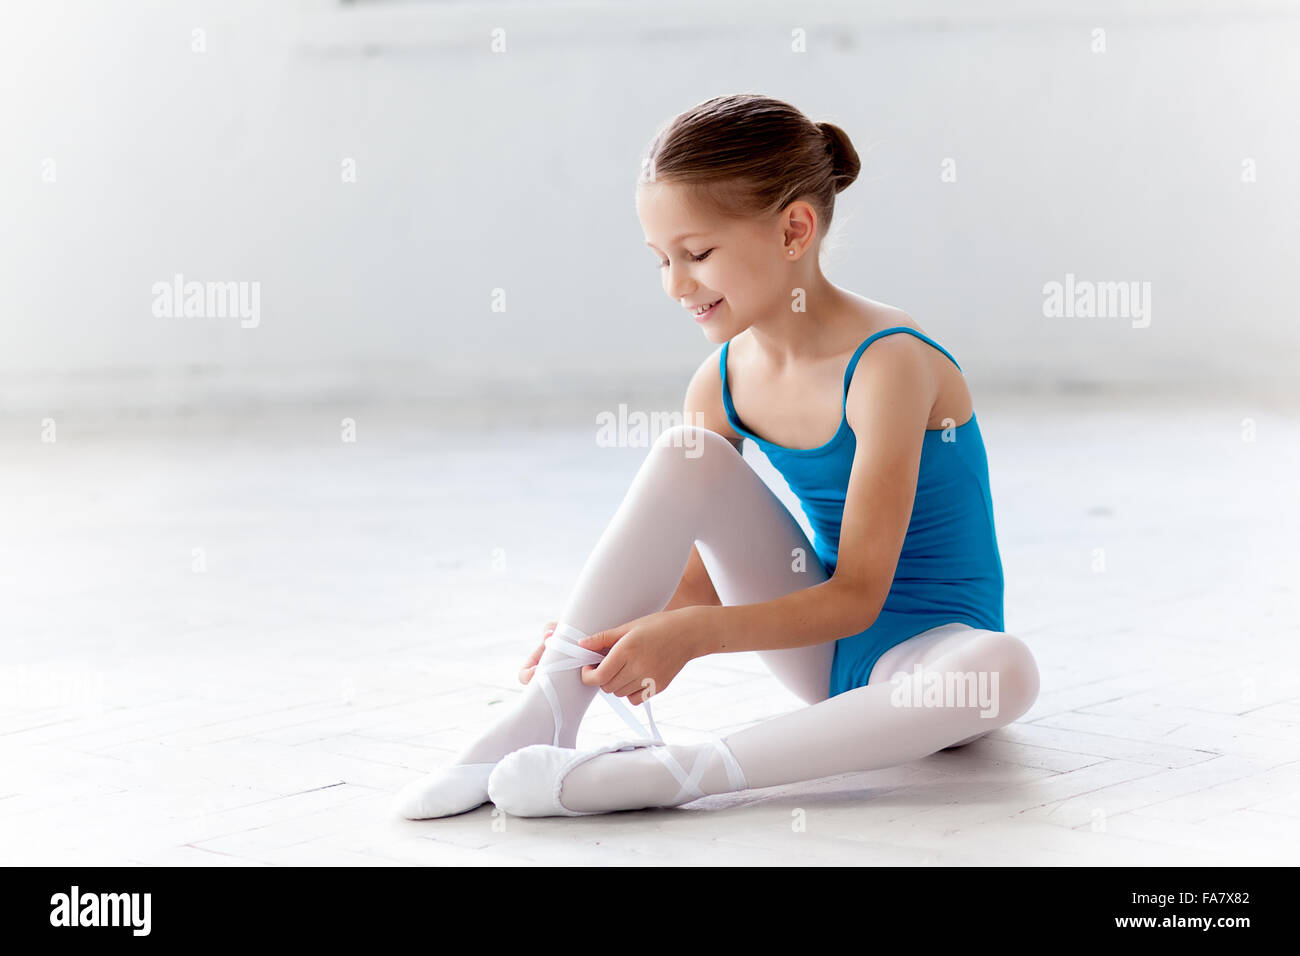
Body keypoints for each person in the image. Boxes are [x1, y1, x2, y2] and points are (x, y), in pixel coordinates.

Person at [392, 93, 1040, 819]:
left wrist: (693, 638)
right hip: (821, 658)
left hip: (926, 660)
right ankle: (544, 711)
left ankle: (677, 773)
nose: (676, 284)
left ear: (795, 229)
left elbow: (859, 594)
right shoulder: (723, 381)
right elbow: (697, 585)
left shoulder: (891, 363)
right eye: (662, 260)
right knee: (687, 452)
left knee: (1005, 668)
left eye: (698, 255)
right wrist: (609, 641)